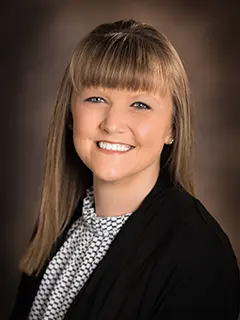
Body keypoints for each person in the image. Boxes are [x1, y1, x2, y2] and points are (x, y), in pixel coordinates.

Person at [10, 19, 240, 320]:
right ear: (70, 115)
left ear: (172, 127)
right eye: (96, 99)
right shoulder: (55, 224)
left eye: (140, 105)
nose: (112, 124)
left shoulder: (198, 253)